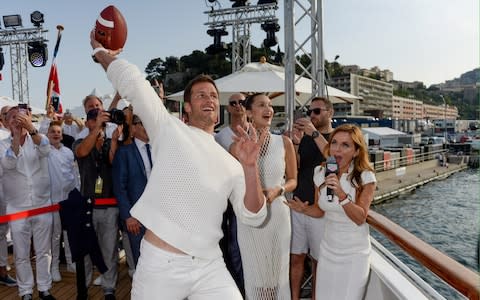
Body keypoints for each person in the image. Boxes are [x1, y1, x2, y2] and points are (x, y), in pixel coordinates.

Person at [90, 31, 267, 300]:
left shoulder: (232, 162)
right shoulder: (168, 129)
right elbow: (134, 84)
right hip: (161, 265)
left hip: (210, 267)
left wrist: (251, 168)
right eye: (200, 95)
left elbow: (254, 215)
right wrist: (102, 53)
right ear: (186, 108)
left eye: (212, 96)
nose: (208, 99)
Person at [286, 124, 377, 300]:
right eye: (334, 143)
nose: (337, 149)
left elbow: (360, 218)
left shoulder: (365, 177)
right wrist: (304, 209)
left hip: (354, 254)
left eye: (345, 145)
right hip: (327, 250)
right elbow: (320, 211)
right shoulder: (320, 172)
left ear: (357, 151)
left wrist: (342, 195)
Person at [236, 93, 297, 300]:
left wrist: (278, 190)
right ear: (249, 112)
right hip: (250, 220)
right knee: (257, 277)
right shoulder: (237, 145)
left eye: (270, 105)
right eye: (262, 105)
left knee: (277, 275)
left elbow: (292, 180)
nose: (269, 109)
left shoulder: (285, 142)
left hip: (278, 216)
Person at [1, 106, 55, 300]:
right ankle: (25, 291)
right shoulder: (2, 145)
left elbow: (46, 149)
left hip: (42, 205)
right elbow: (9, 163)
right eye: (13, 117)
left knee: (44, 251)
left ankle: (44, 288)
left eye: (21, 116)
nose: (17, 119)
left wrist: (31, 130)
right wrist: (16, 137)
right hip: (18, 208)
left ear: (29, 118)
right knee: (21, 253)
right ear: (6, 124)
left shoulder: (38, 138)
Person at [73, 108, 122, 300]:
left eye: (101, 119)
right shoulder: (80, 141)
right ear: (87, 124)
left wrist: (114, 141)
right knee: (85, 252)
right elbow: (83, 151)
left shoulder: (110, 141)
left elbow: (113, 161)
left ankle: (109, 288)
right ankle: (83, 289)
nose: (98, 121)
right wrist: (96, 131)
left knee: (109, 250)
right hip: (88, 206)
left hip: (110, 206)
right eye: (94, 119)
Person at [289, 96, 334, 300]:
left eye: (317, 111)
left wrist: (314, 133)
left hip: (320, 210)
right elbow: (298, 167)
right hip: (298, 205)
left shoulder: (335, 138)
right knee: (296, 257)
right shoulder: (307, 137)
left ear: (330, 113)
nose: (312, 115)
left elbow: (334, 161)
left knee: (317, 261)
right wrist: (296, 145)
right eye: (310, 111)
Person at [214, 92, 248, 295]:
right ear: (227, 109)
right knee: (232, 247)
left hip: (251, 196)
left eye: (242, 102)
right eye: (233, 103)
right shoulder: (219, 136)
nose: (237, 106)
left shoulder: (257, 132)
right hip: (227, 199)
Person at [112, 114, 150, 268]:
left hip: (161, 217)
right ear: (133, 128)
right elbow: (119, 187)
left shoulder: (161, 150)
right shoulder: (124, 153)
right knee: (141, 260)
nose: (149, 126)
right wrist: (128, 216)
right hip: (137, 218)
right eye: (143, 123)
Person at [46, 121, 80, 282]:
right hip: (51, 200)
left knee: (69, 233)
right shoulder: (45, 151)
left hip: (68, 199)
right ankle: (54, 266)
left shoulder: (68, 151)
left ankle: (70, 262)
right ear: (47, 134)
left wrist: (76, 193)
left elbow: (74, 174)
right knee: (55, 235)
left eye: (58, 131)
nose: (56, 134)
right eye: (52, 131)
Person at [0, 105, 17, 288]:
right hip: (2, 192)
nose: (10, 117)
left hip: (13, 193)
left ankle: (2, 269)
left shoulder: (22, 136)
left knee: (3, 234)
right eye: (6, 114)